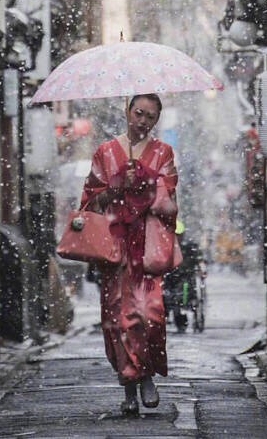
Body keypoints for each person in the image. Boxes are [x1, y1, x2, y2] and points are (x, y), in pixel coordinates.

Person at [80, 93, 178, 416]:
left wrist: (144, 185)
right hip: (114, 248)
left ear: (156, 121)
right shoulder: (104, 153)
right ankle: (129, 387)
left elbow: (167, 201)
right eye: (138, 113)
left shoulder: (163, 153)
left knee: (150, 315)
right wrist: (116, 187)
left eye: (150, 116)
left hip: (146, 248)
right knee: (116, 320)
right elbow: (89, 203)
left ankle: (147, 373)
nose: (143, 121)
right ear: (127, 111)